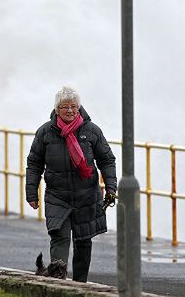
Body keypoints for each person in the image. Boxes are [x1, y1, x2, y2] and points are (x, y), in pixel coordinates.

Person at [26, 86, 117, 282]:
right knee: (59, 235)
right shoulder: (45, 133)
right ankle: (58, 281)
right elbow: (34, 164)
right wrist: (31, 193)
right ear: (57, 109)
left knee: (83, 241)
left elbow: (107, 160)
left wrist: (111, 186)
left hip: (87, 195)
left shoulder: (92, 131)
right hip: (57, 196)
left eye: (73, 106)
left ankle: (80, 284)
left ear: (79, 108)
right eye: (64, 107)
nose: (69, 110)